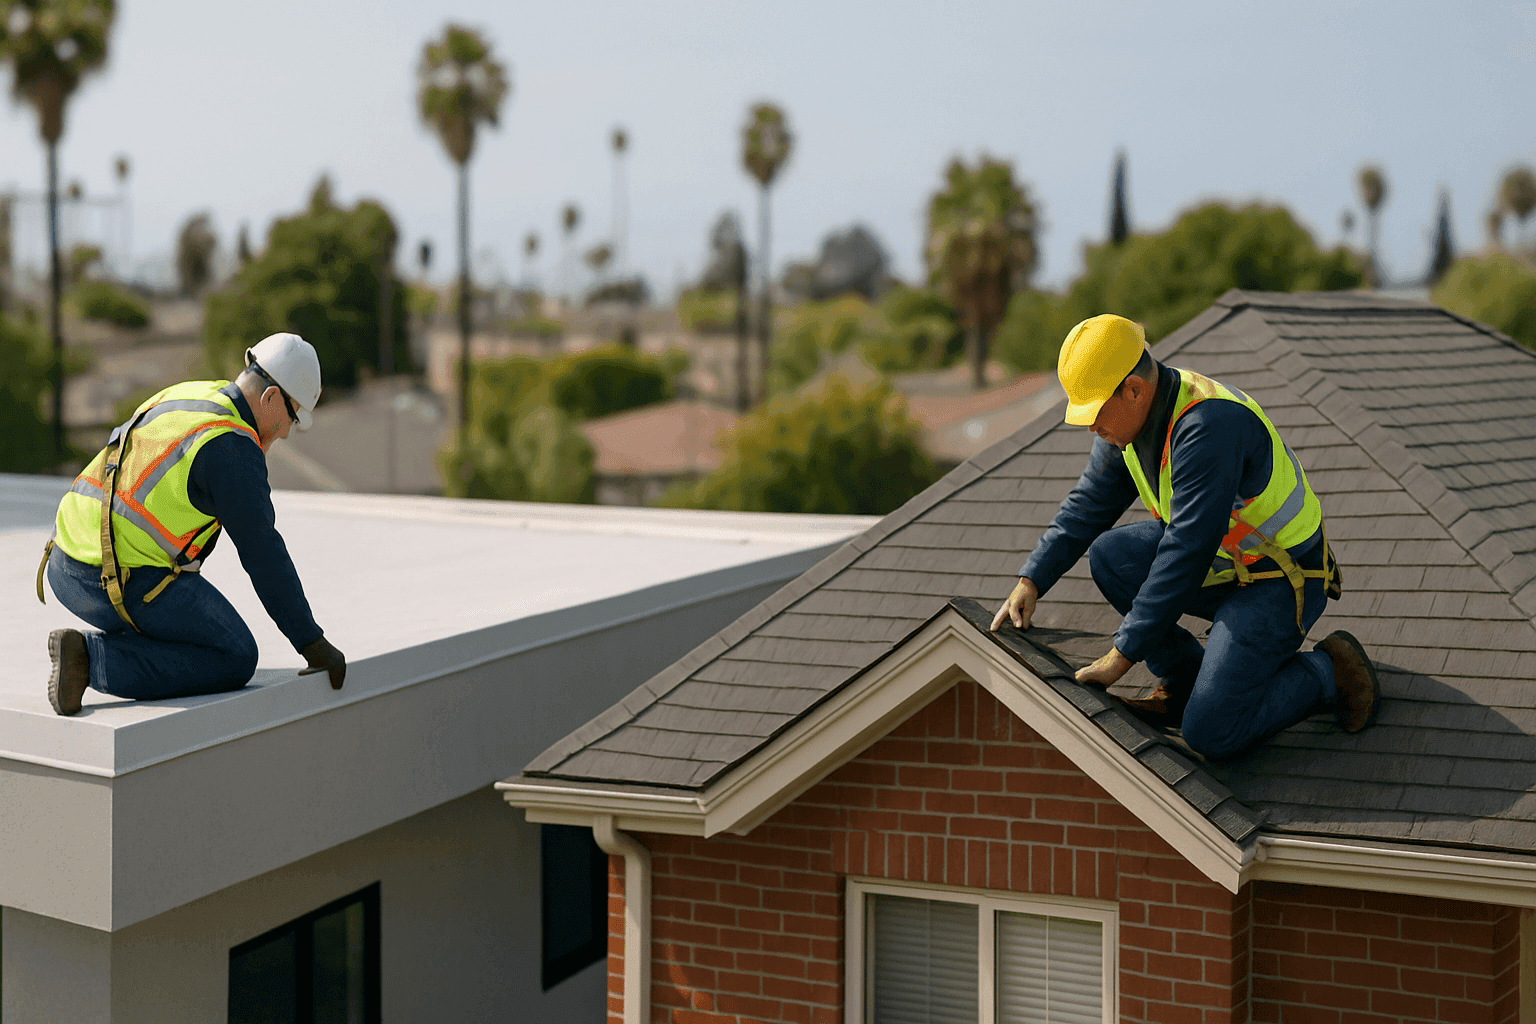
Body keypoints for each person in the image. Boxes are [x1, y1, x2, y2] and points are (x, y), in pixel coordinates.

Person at [990, 314, 1378, 760]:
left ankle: (1328, 671)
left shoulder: (1208, 426)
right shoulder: (1129, 424)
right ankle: (1186, 679)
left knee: (1211, 732)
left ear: (1134, 389)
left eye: (1094, 413)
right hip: (1229, 564)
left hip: (1280, 580)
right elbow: (1089, 504)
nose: (1090, 427)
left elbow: (1186, 551)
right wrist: (1032, 579)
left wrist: (1122, 654)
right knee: (1110, 557)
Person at [39, 332, 347, 716]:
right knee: (233, 655)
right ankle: (89, 660)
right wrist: (311, 643)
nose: (286, 431)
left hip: (63, 567)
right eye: (293, 416)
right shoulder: (231, 446)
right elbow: (263, 554)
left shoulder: (193, 395)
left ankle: (102, 648)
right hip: (111, 578)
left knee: (187, 620)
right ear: (270, 398)